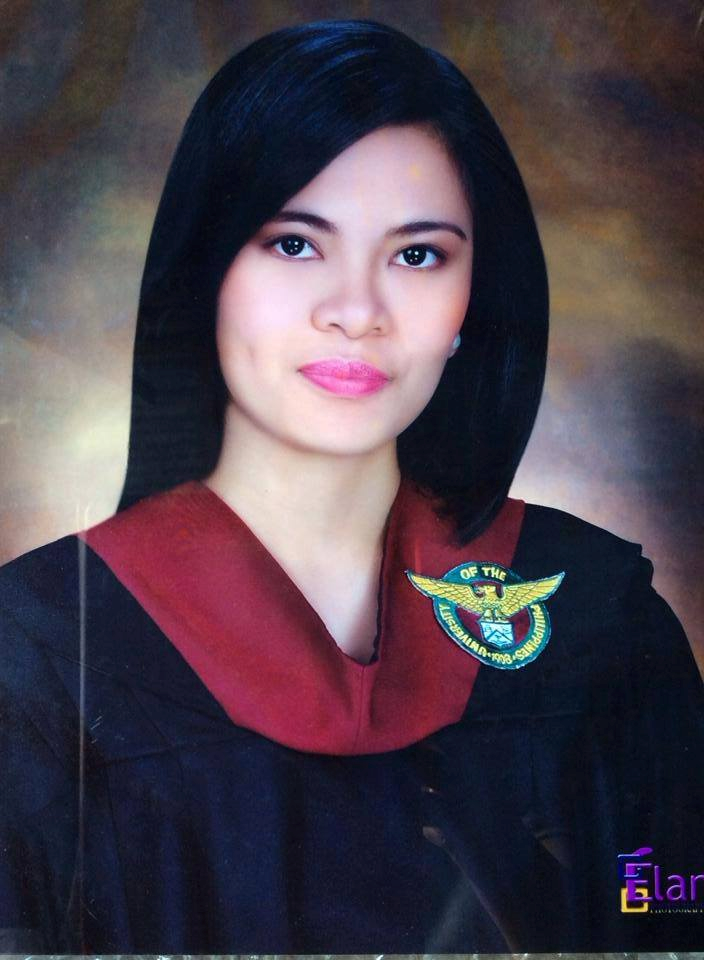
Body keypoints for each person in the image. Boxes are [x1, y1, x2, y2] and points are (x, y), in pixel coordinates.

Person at [0, 18, 702, 955]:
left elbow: (674, 911)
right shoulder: (43, 651)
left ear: (472, 303)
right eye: (296, 244)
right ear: (207, 270)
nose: (357, 312)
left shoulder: (597, 620)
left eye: (417, 255)